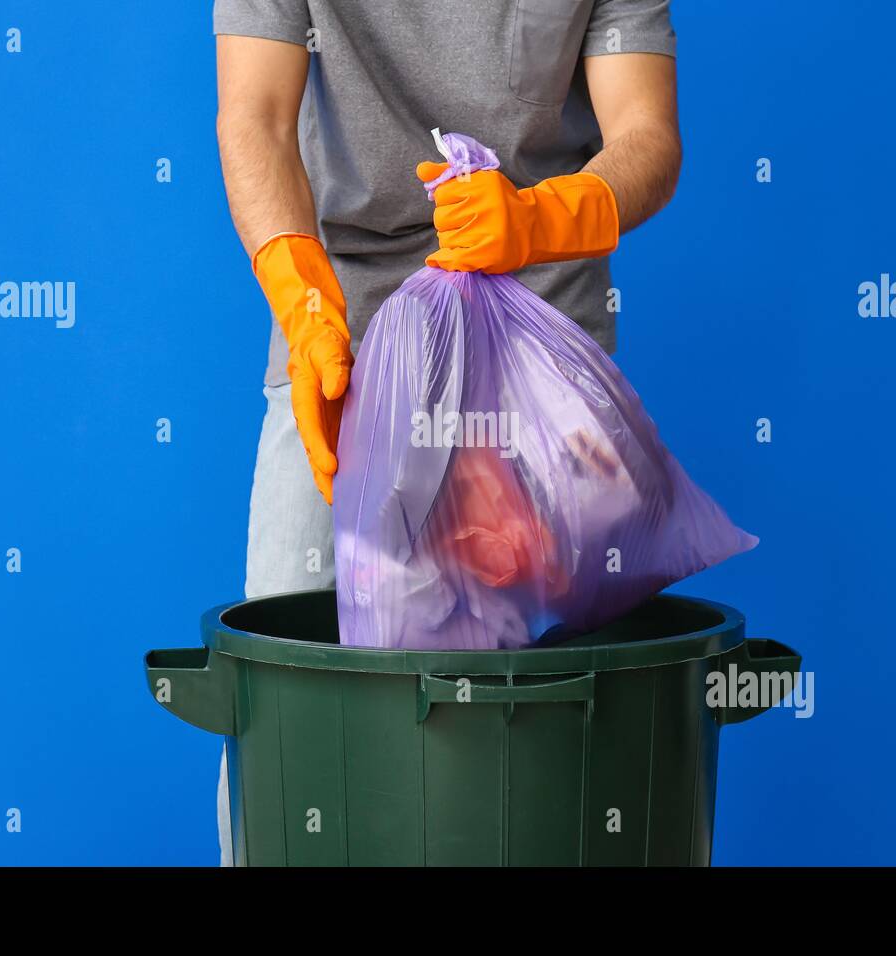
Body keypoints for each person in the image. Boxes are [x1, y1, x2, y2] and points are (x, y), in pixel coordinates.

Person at [212, 0, 681, 866]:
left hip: (538, 330)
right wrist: (303, 302)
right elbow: (256, 117)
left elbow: (647, 136)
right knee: (290, 683)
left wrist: (542, 219)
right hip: (343, 328)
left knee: (541, 704)